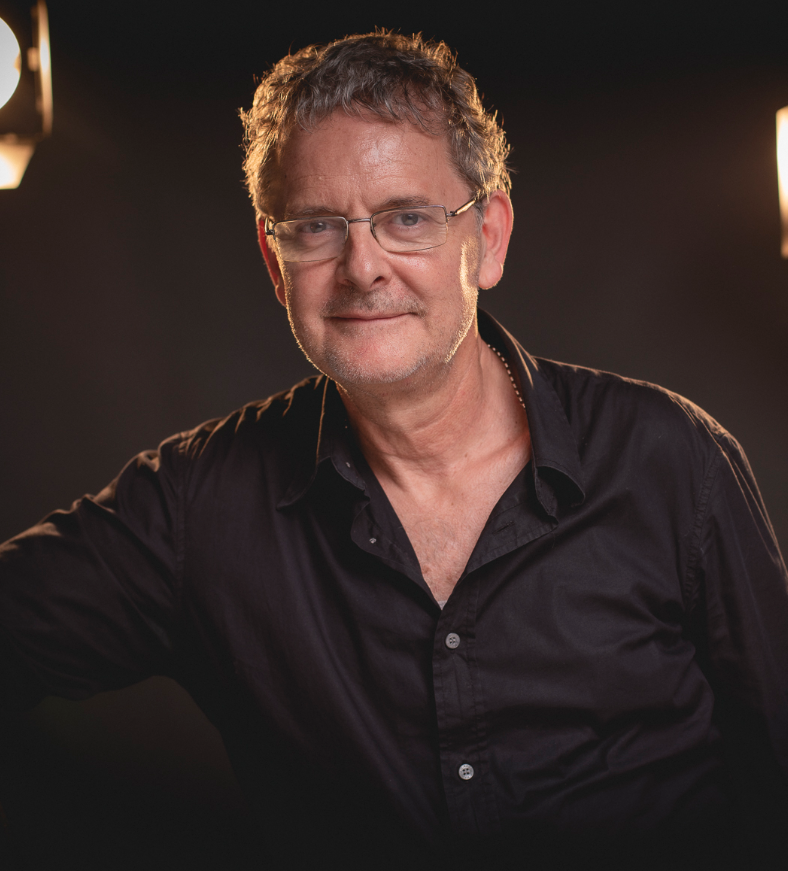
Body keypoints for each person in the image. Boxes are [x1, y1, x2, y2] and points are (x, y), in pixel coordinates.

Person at [1, 31, 787, 870]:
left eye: (407, 218)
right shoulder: (200, 505)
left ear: (488, 238)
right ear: (274, 260)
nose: (361, 268)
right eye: (316, 227)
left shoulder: (671, 461)